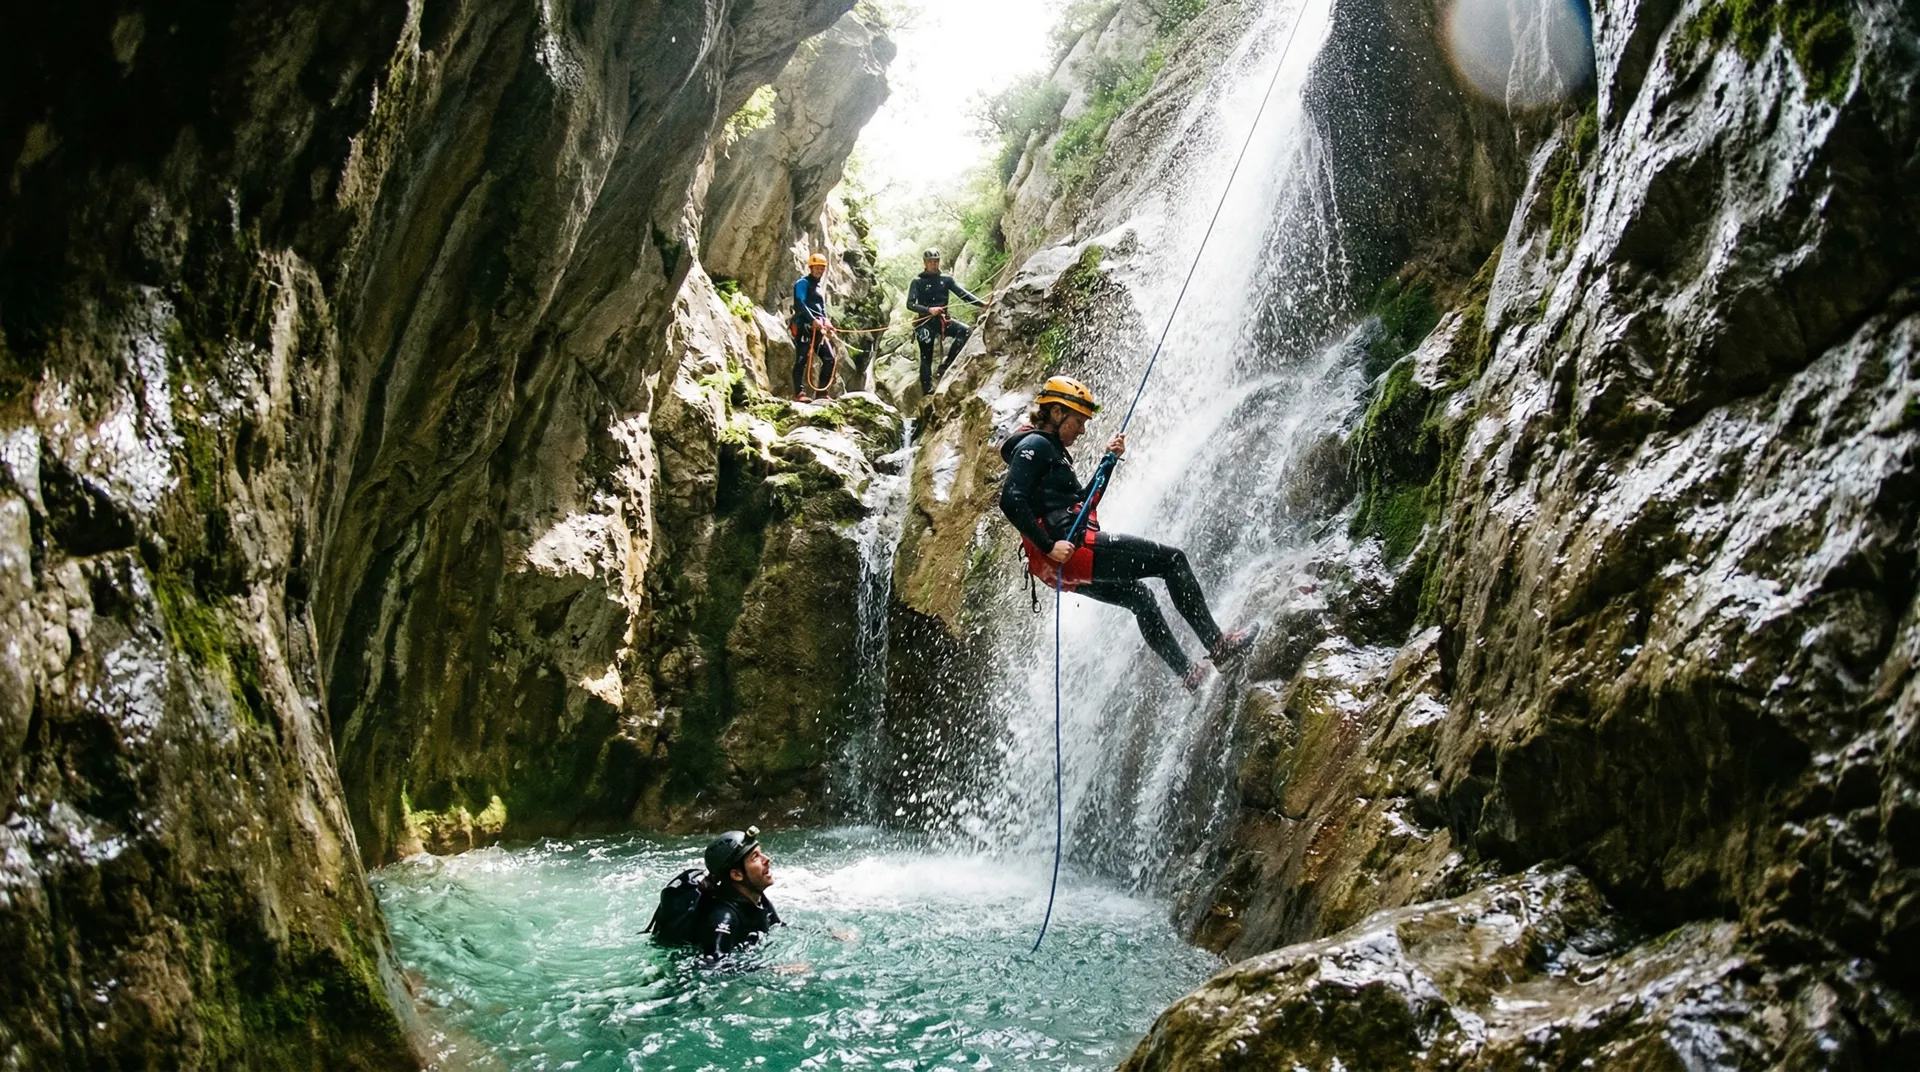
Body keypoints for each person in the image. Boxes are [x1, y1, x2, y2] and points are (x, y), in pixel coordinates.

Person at [998, 376, 1259, 689]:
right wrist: (1049, 544)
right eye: (1079, 421)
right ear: (1056, 413)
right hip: (1072, 551)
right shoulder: (1035, 445)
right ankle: (1218, 646)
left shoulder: (1048, 451)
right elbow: (1010, 499)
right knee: (1172, 561)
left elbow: (1084, 502)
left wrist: (1109, 460)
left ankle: (1189, 674)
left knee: (1140, 597)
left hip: (1057, 568)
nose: (1082, 430)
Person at [693, 827, 785, 960]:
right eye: (755, 857)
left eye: (761, 853)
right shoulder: (724, 917)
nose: (767, 859)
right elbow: (713, 967)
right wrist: (771, 968)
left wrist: (821, 933)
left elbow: (779, 927)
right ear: (737, 875)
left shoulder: (757, 899)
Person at [906, 248, 988, 394]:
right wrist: (928, 310)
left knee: (965, 331)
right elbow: (910, 304)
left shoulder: (946, 279)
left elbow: (963, 294)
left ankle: (946, 366)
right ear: (925, 263)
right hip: (925, 322)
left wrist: (983, 304)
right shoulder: (917, 282)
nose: (934, 264)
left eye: (936, 261)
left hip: (942, 320)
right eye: (931, 261)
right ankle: (927, 391)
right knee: (926, 357)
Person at [792, 252, 837, 402]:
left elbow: (822, 310)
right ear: (811, 268)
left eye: (822, 268)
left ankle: (822, 393)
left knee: (829, 358)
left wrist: (827, 323)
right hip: (805, 326)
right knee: (801, 359)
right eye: (817, 267)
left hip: (818, 329)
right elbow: (799, 303)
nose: (819, 270)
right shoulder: (802, 283)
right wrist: (812, 320)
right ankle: (799, 393)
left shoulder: (818, 287)